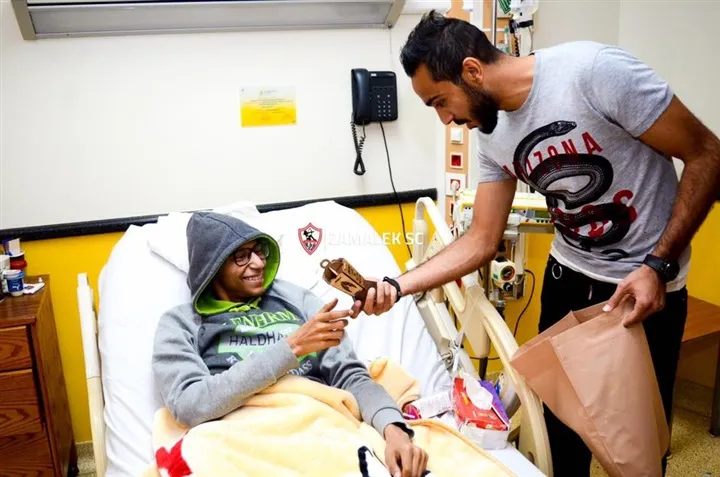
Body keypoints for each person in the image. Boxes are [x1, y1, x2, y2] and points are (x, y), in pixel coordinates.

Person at [362, 10, 720, 477]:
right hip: (567, 278)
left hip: (644, 289)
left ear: (472, 71)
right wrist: (397, 285)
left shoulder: (594, 74)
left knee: (640, 445)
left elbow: (707, 155)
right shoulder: (492, 135)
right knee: (559, 433)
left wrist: (659, 265)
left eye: (440, 101)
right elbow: (482, 238)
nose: (446, 118)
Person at [152, 211, 428, 477]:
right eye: (241, 256)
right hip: (239, 435)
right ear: (212, 267)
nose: (258, 264)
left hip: (318, 424)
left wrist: (395, 431)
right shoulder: (181, 323)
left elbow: (350, 376)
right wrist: (291, 348)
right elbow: (190, 404)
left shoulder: (297, 300)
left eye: (259, 251)